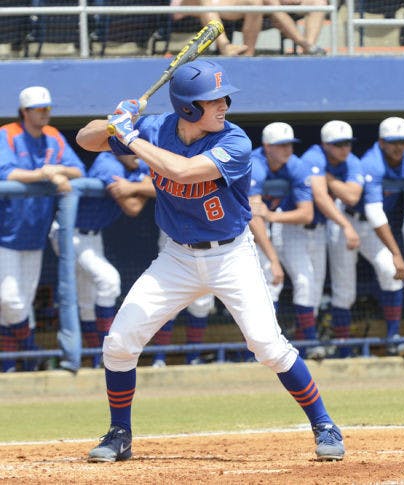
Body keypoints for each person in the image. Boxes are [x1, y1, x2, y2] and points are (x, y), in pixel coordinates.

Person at [76, 59, 344, 462]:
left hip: (231, 256)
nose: (224, 105)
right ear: (187, 108)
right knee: (118, 343)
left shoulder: (235, 142)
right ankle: (119, 433)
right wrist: (116, 120)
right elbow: (85, 138)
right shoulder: (154, 130)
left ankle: (324, 424)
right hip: (177, 258)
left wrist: (129, 138)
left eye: (224, 97)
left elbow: (182, 172)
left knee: (267, 346)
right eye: (211, 100)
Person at [0, 86, 85, 373]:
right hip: (5, 234)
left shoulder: (54, 137)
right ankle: (33, 352)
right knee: (10, 301)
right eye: (39, 109)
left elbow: (78, 170)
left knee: (17, 306)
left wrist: (56, 171)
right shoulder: (7, 134)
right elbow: (6, 173)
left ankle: (10, 368)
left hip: (34, 235)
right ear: (25, 111)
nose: (45, 113)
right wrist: (44, 173)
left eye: (48, 108)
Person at [48, 152, 154, 369]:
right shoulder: (107, 163)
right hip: (70, 233)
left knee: (88, 301)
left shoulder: (139, 161)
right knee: (109, 281)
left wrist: (134, 188)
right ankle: (108, 352)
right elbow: (132, 207)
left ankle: (98, 359)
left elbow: (156, 187)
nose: (136, 155)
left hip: (93, 236)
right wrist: (142, 186)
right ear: (116, 148)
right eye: (129, 149)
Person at [248, 122, 327, 360]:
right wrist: (274, 260)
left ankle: (310, 342)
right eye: (281, 146)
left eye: (289, 145)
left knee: (306, 280)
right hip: (246, 227)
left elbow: (307, 213)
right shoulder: (255, 164)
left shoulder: (296, 166)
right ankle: (266, 347)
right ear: (267, 146)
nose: (287, 150)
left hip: (279, 222)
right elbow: (253, 216)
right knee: (270, 282)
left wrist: (272, 215)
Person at [357, 116, 404, 357]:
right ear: (381, 142)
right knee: (342, 287)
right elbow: (373, 211)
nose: (398, 147)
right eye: (393, 142)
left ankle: (393, 337)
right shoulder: (372, 162)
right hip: (351, 221)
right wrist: (397, 253)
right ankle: (338, 346)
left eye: (402, 141)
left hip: (379, 226)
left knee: (391, 273)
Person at [300, 120, 363, 358]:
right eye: (338, 145)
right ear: (325, 145)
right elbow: (320, 196)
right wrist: (346, 224)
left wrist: (328, 178)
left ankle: (342, 347)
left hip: (321, 228)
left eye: (347, 144)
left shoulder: (352, 162)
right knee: (307, 286)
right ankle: (307, 344)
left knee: (338, 286)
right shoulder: (312, 157)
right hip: (295, 228)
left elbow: (352, 197)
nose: (344, 149)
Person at [150, 236, 215, 368]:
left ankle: (193, 358)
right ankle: (159, 359)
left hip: (206, 246)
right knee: (166, 302)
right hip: (174, 245)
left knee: (201, 302)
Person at [174, 0, 326, 56]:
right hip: (187, 6)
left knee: (319, 1)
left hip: (232, 5)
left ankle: (248, 53)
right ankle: (226, 47)